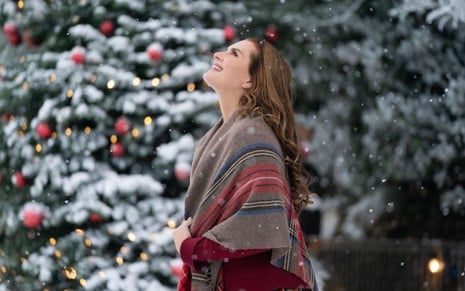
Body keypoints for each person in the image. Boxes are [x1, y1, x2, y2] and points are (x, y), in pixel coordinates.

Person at [172, 38, 319, 291]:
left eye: (233, 54)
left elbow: (261, 229)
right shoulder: (224, 134)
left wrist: (190, 247)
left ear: (251, 81)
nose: (218, 54)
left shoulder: (254, 138)